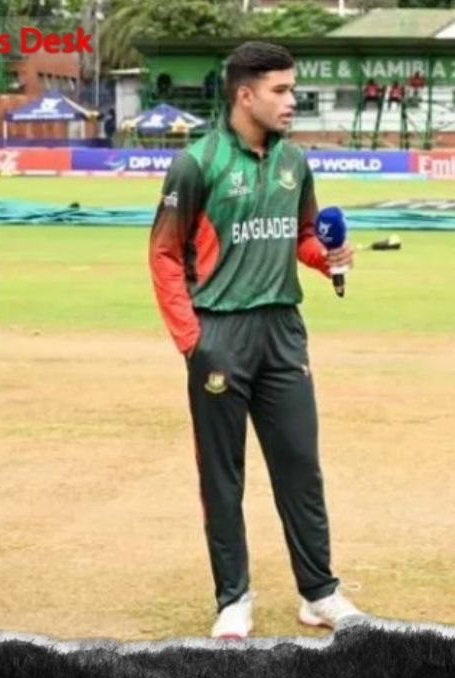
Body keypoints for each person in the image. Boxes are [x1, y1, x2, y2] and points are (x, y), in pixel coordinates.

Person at [148, 41, 363, 639]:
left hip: (283, 333)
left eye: (293, 89)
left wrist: (327, 257)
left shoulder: (294, 161)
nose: (293, 101)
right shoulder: (197, 164)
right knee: (223, 475)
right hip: (219, 331)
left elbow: (302, 236)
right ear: (245, 95)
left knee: (301, 467)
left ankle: (319, 593)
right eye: (281, 90)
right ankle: (233, 598)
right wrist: (192, 340)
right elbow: (163, 254)